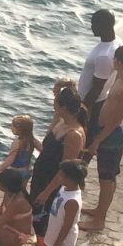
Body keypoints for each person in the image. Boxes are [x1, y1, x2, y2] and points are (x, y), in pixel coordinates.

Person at [81, 46, 123, 232]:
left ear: (120, 63)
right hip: (105, 130)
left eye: (115, 59)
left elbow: (115, 120)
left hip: (109, 135)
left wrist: (97, 140)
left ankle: (100, 221)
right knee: (107, 177)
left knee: (106, 180)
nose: (112, 61)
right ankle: (99, 210)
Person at [27, 84, 86, 225]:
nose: (53, 105)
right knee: (35, 219)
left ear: (64, 107)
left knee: (42, 222)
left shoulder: (73, 135)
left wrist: (47, 192)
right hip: (41, 177)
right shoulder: (61, 123)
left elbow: (66, 168)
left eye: (56, 104)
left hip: (51, 183)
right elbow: (47, 149)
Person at [76, 9, 118, 106]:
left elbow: (97, 89)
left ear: (103, 26)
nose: (91, 27)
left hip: (93, 103)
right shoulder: (117, 42)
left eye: (94, 24)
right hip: (103, 97)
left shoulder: (104, 56)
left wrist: (83, 108)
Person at [0, 114, 37, 184]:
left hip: (15, 173)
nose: (11, 128)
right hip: (27, 172)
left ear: (19, 129)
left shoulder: (17, 143)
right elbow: (43, 152)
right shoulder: (33, 141)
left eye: (12, 126)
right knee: (21, 190)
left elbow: (10, 160)